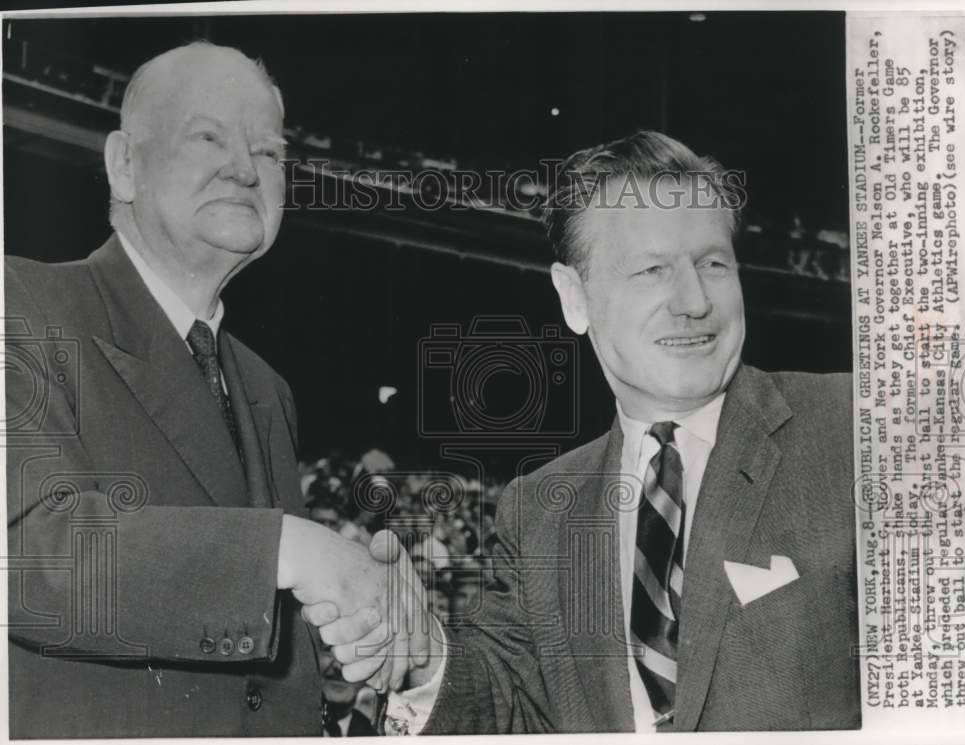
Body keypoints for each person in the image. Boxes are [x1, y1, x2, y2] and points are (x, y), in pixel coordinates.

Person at [323, 130, 860, 733]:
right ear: (574, 298)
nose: (694, 300)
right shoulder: (540, 510)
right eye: (652, 270)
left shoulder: (855, 427)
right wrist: (425, 659)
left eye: (713, 263)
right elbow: (510, 706)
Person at [4, 42, 417, 738]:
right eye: (208, 137)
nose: (244, 168)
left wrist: (361, 627)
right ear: (124, 164)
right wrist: (291, 549)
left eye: (269, 152)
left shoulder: (266, 387)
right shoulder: (21, 304)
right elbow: (29, 556)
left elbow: (249, 650)